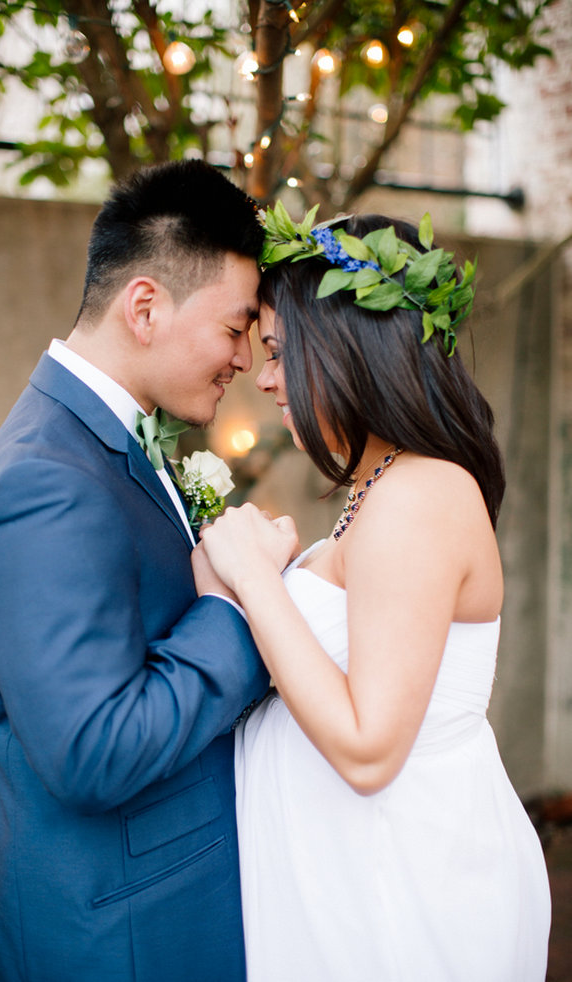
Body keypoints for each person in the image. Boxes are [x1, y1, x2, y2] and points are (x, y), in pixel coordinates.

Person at [196, 206, 552, 981]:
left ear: (347, 349)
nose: (261, 378)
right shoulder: (380, 489)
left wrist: (259, 582)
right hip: (346, 881)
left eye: (281, 352)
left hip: (396, 896)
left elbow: (367, 750)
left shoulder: (419, 494)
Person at [0, 159, 273, 981]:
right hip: (117, 937)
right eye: (236, 327)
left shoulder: (105, 439)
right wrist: (239, 612)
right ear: (145, 306)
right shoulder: (47, 477)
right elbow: (92, 749)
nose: (242, 357)